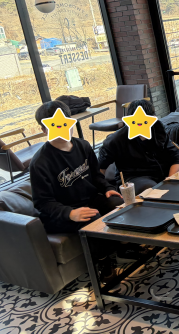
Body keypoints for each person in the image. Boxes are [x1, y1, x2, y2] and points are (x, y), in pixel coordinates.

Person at [30, 101, 123, 276]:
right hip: (59, 214)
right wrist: (70, 213)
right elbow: (42, 202)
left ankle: (123, 248)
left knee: (117, 203)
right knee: (92, 217)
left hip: (88, 199)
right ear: (44, 130)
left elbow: (96, 175)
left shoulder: (83, 146)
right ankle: (103, 263)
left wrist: (107, 188)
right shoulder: (40, 162)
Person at [99, 99, 179, 194]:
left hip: (163, 171)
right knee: (149, 188)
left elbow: (176, 157)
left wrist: (170, 180)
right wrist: (107, 188)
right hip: (135, 178)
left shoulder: (158, 129)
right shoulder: (115, 140)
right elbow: (100, 168)